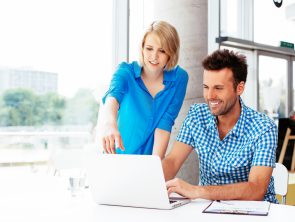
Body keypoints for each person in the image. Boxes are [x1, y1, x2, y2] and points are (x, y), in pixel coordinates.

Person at [163, 49, 278, 203]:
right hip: (207, 210)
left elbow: (256, 189)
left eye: (218, 88)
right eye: (206, 87)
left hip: (253, 212)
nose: (210, 96)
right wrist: (146, 186)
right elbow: (172, 161)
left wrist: (197, 191)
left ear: (240, 88)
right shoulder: (197, 115)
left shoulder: (263, 127)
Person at [99, 21, 188, 158]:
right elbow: (112, 97)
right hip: (116, 158)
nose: (154, 56)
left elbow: (165, 122)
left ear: (171, 52)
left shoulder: (179, 78)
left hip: (147, 161)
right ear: (142, 48)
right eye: (149, 48)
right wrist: (110, 123)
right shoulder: (125, 72)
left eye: (162, 51)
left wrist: (154, 166)